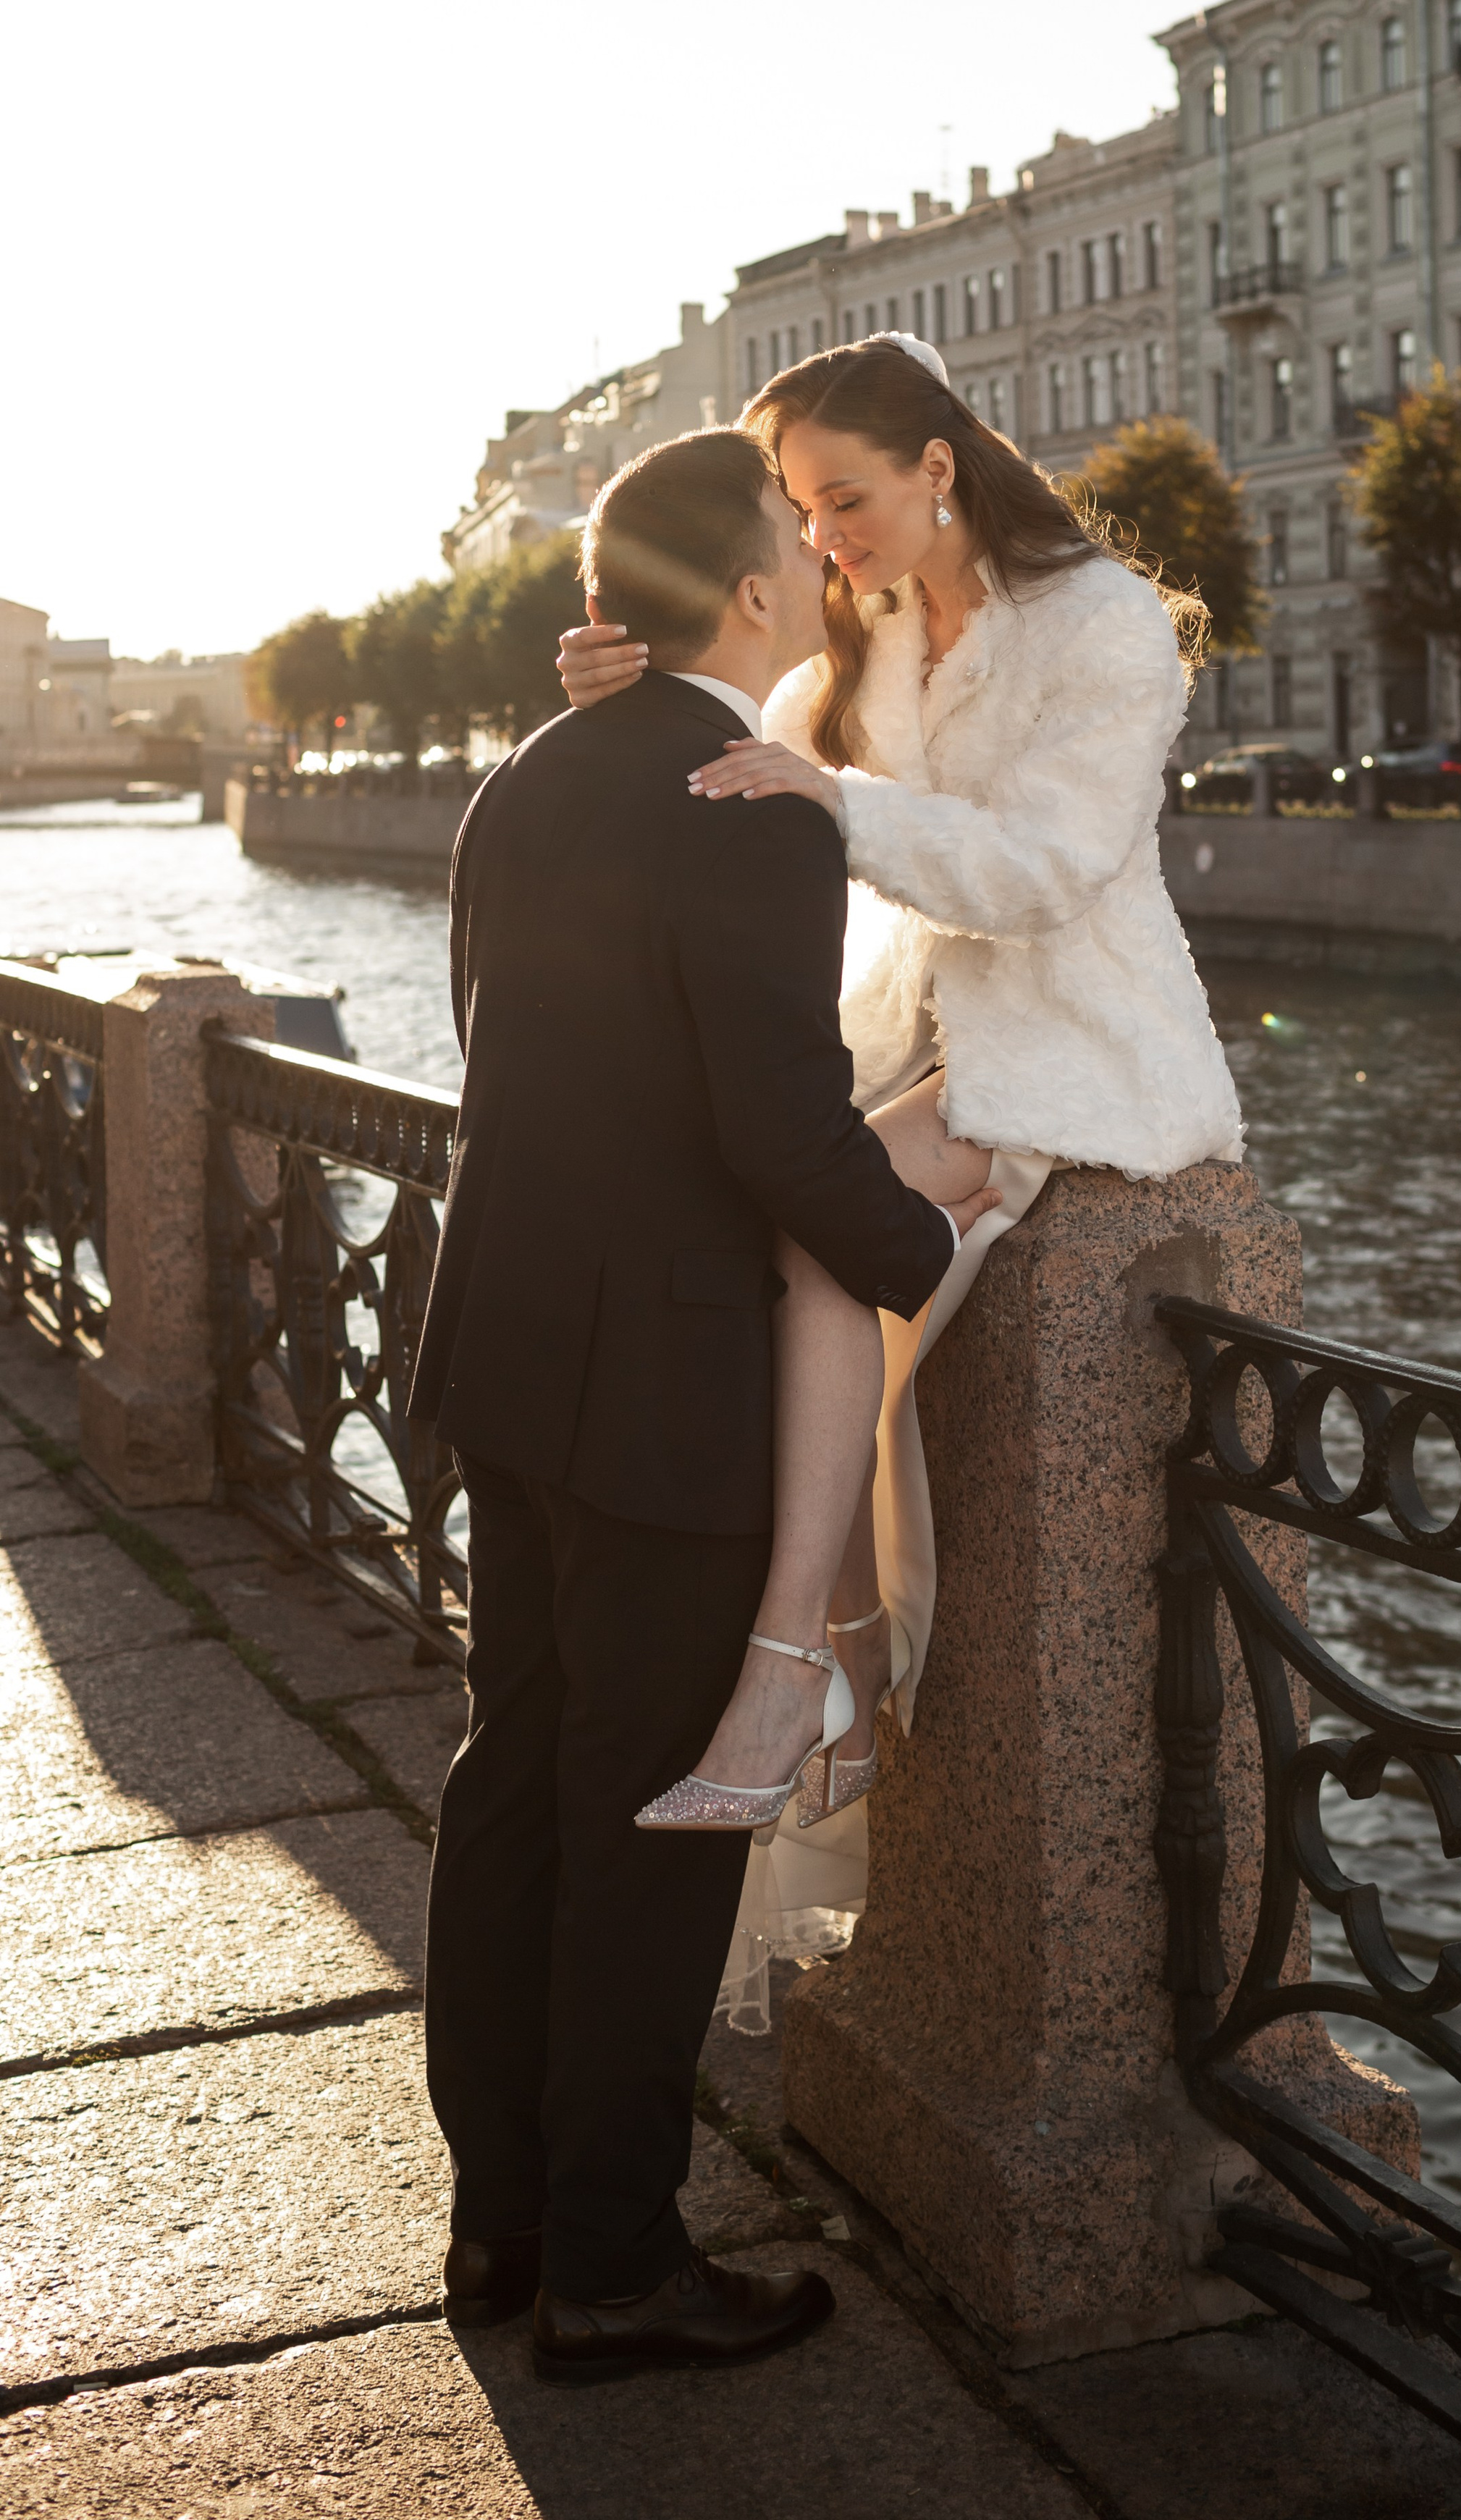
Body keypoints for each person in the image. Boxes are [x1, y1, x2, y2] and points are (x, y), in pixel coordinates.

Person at [408, 425, 996, 2381]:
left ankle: (498, 2222)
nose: (824, 565)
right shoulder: (752, 802)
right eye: (793, 543)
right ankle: (616, 2265)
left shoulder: (533, 771)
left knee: (521, 1779)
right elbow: (778, 1132)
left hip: (504, 1341)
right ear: (750, 596)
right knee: (660, 1820)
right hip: (658, 1375)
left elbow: (542, 1058)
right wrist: (939, 1241)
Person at [556, 336, 1244, 1917]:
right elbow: (747, 731)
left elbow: (1051, 866)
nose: (816, 540)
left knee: (812, 1226)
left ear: (937, 466)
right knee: (784, 1215)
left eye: (841, 499)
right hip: (930, 1032)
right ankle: (837, 1654)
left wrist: (841, 806)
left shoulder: (1103, 621)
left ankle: (796, 1661)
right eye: (799, 508)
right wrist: (633, 679)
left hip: (1087, 1042)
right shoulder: (868, 614)